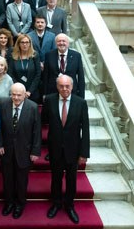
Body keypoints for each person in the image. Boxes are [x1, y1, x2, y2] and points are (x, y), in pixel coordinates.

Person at [42, 75, 90, 224]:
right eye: (61, 86)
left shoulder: (81, 103)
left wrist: (84, 153)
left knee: (71, 180)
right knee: (55, 179)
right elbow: (43, 121)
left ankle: (69, 206)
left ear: (72, 86)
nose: (64, 89)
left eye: (67, 86)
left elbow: (86, 130)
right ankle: (56, 204)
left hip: (73, 150)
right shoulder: (49, 100)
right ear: (57, 87)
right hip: (55, 149)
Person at [0, 82, 41, 219]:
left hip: (25, 151)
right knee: (8, 180)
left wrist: (35, 151)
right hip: (7, 151)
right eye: (13, 94)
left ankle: (20, 204)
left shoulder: (33, 107)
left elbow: (37, 131)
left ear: (25, 95)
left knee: (22, 181)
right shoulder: (3, 105)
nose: (16, 98)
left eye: (19, 95)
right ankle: (9, 203)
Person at [43, 33, 85, 98]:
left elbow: (81, 77)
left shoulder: (76, 56)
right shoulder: (49, 55)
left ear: (68, 43)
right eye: (59, 41)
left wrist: (82, 96)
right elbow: (45, 76)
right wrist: (45, 94)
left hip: (71, 91)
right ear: (56, 43)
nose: (61, 43)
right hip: (53, 91)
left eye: (64, 41)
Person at [8, 34, 41, 103]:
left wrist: (29, 91)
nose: (25, 44)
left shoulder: (35, 55)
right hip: (17, 93)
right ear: (18, 44)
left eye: (27, 42)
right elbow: (10, 73)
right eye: (22, 42)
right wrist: (19, 89)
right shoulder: (13, 56)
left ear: (30, 44)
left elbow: (38, 74)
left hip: (32, 92)